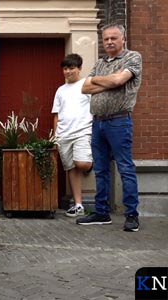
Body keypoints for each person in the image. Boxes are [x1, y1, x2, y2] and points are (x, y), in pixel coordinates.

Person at [79, 24, 143, 232]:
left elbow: (119, 80)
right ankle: (101, 212)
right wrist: (107, 81)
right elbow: (84, 87)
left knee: (125, 168)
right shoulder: (99, 63)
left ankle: (132, 215)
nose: (109, 42)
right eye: (106, 39)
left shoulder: (132, 58)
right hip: (98, 122)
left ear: (123, 39)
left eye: (113, 38)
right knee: (100, 170)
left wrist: (100, 81)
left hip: (119, 121)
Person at [51, 54, 93, 218]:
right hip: (64, 135)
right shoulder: (60, 90)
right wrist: (56, 136)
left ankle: (90, 166)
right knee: (71, 169)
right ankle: (78, 204)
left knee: (81, 164)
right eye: (65, 68)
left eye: (71, 68)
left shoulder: (87, 85)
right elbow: (56, 115)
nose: (68, 72)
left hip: (83, 131)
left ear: (80, 68)